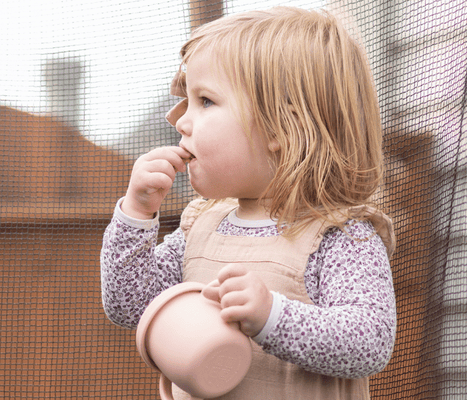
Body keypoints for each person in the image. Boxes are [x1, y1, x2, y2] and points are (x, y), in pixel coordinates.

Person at [101, 6, 396, 400]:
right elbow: (132, 306)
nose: (181, 121)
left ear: (280, 128)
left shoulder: (341, 237)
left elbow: (369, 343)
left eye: (205, 101)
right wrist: (136, 215)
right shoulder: (201, 226)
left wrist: (271, 317)